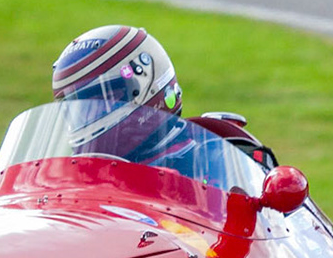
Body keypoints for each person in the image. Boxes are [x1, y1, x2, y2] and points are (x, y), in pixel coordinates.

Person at [51, 25, 277, 169]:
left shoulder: (216, 159)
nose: (86, 115)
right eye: (77, 108)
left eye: (99, 103)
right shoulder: (73, 178)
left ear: (148, 84)